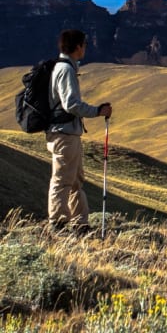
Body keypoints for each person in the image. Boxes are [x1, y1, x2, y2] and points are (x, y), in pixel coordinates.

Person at [46, 28, 112, 233]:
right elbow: (71, 104)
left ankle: (80, 223)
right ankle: (57, 223)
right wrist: (97, 111)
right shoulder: (66, 70)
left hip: (66, 132)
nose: (85, 48)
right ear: (77, 47)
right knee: (63, 178)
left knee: (75, 179)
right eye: (84, 44)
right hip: (64, 133)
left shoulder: (64, 67)